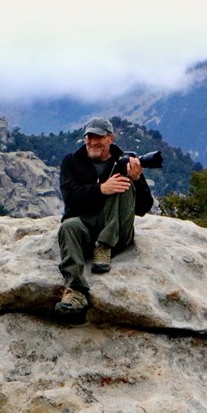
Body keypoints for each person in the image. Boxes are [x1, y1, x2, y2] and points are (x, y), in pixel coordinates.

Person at [55, 117, 154, 315]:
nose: (93, 142)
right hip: (86, 224)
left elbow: (144, 207)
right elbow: (71, 198)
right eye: (89, 137)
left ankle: (105, 245)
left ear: (110, 139)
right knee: (68, 227)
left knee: (123, 184)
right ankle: (75, 291)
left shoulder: (124, 163)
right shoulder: (71, 162)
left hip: (118, 231)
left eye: (98, 137)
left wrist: (136, 180)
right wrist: (101, 189)